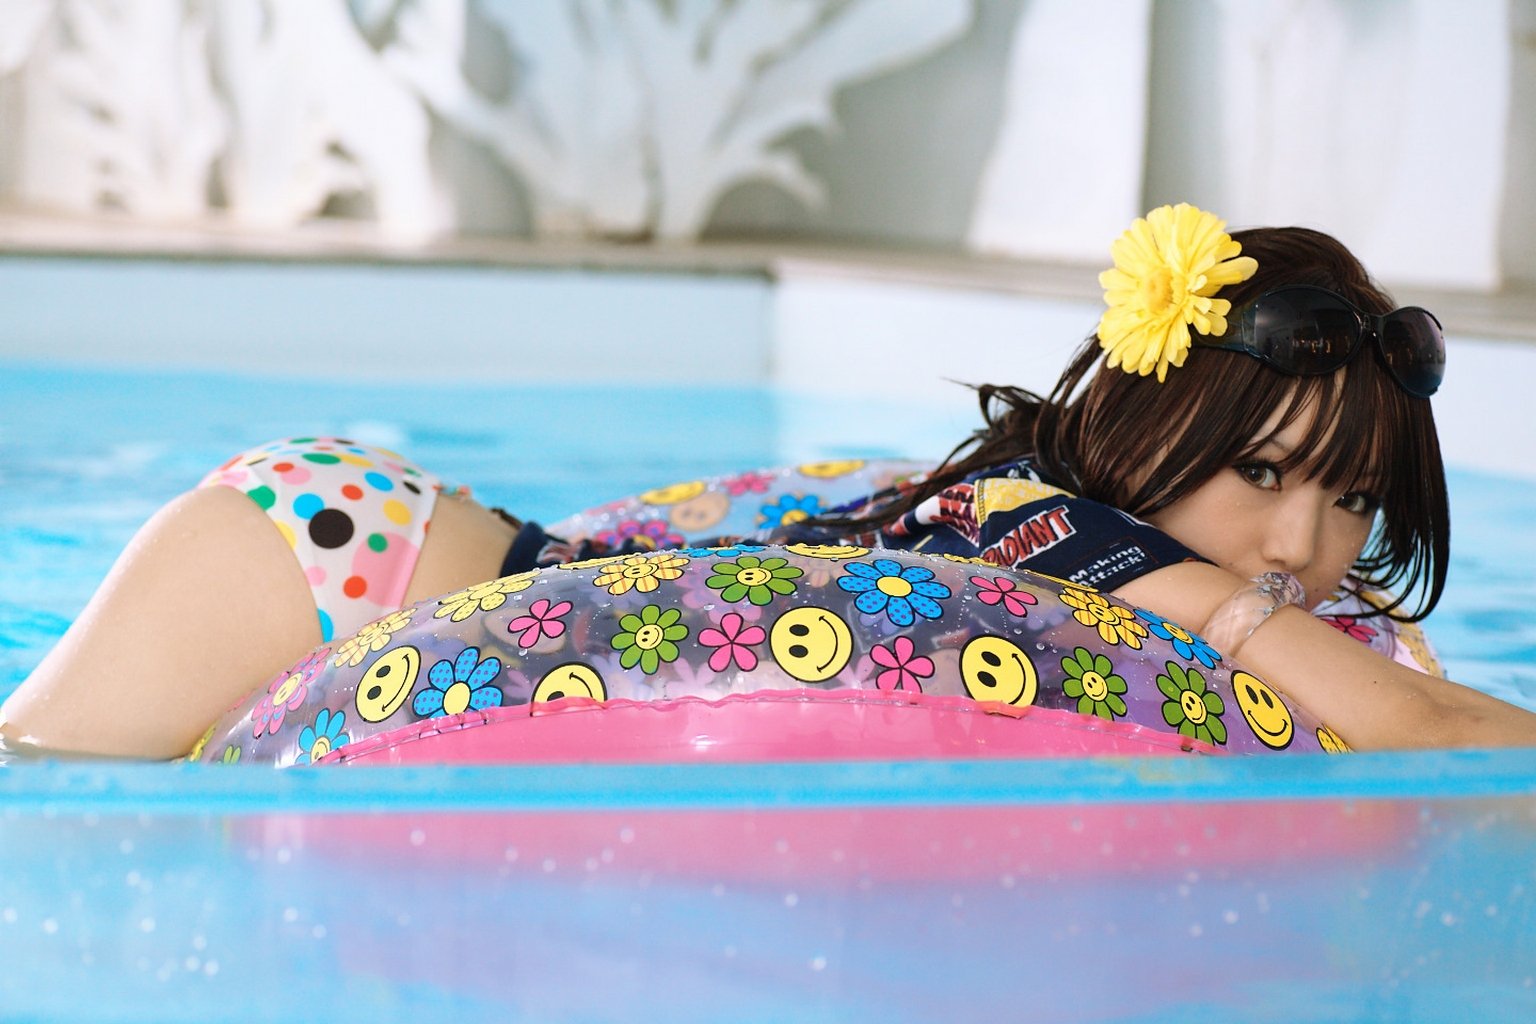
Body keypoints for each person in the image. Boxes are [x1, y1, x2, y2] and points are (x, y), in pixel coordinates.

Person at [4, 204, 1534, 759]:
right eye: (1263, 471)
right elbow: (1415, 729)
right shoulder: (1046, 527)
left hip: (387, 549)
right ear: (1158, 429)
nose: (1302, 539)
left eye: (1352, 499)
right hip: (335, 565)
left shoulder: (1079, 526)